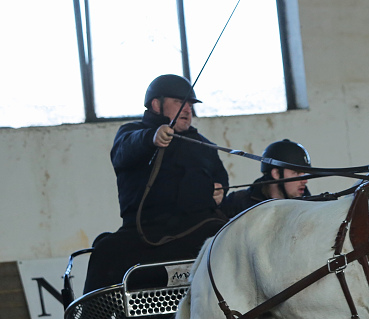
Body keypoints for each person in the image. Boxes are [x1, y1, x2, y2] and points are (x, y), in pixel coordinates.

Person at [83, 74, 229, 293]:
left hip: (198, 234)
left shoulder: (204, 145)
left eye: (190, 104)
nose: (188, 109)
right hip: (144, 237)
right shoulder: (132, 133)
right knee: (105, 251)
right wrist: (151, 137)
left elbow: (221, 178)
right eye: (180, 103)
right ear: (156, 105)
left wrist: (220, 191)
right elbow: (125, 150)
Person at [219, 139, 311, 218]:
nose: (305, 180)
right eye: (296, 173)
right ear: (276, 174)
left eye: (304, 174)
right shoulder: (238, 203)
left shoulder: (309, 205)